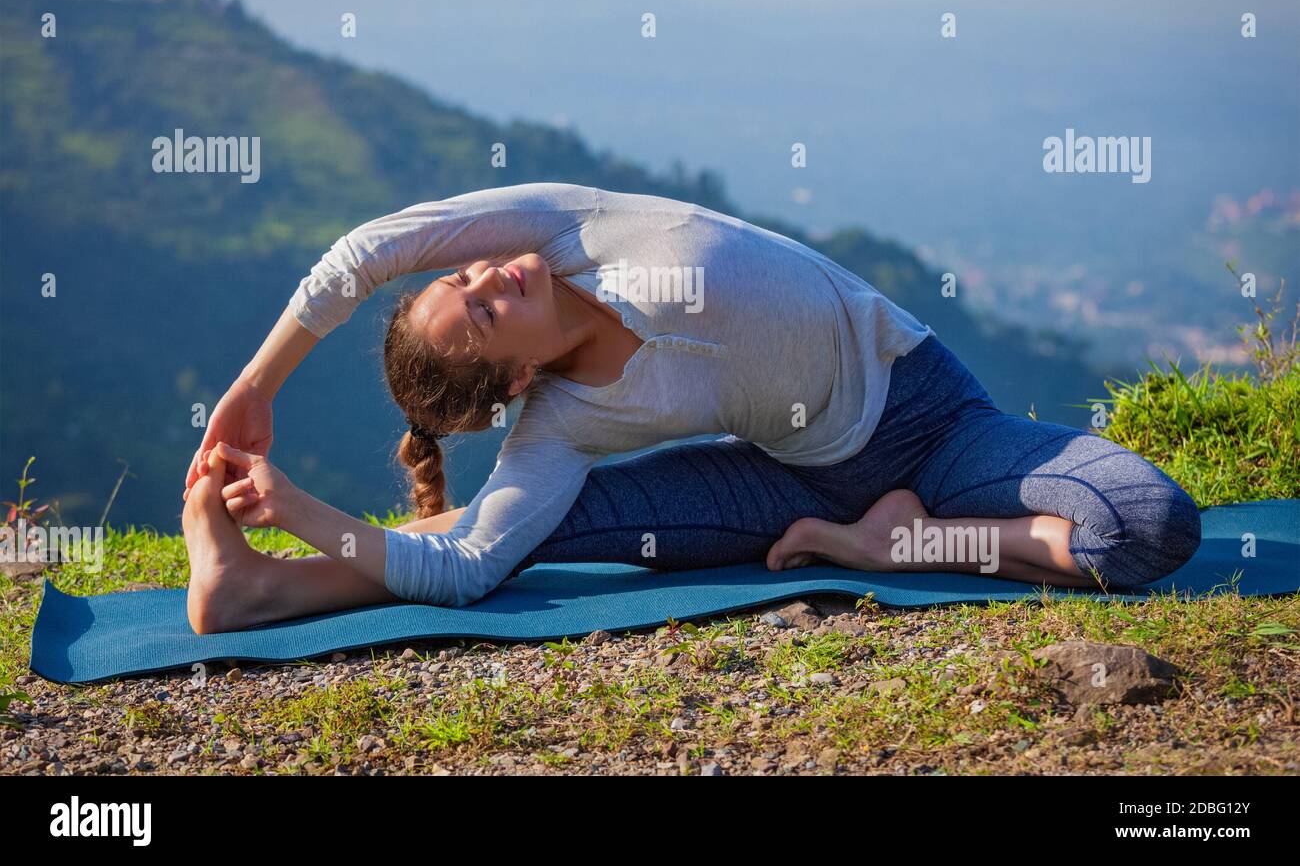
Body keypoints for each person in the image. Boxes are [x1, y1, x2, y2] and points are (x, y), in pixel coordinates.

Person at [180, 183, 1200, 633]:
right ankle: (259, 593)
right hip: (784, 479)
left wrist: (253, 388)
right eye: (482, 312)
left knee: (1148, 525)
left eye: (466, 280)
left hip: (934, 423)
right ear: (518, 384)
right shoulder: (562, 425)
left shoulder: (573, 225)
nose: (488, 275)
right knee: (528, 533)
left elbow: (366, 253)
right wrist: (300, 509)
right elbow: (467, 568)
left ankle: (899, 548)